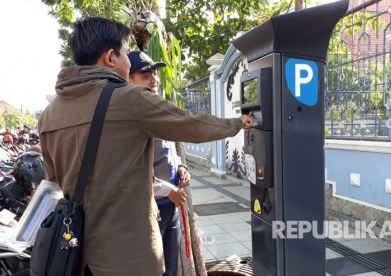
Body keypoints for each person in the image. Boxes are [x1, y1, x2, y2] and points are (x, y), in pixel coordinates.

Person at [38, 17, 253, 276]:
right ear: (110, 58)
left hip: (73, 253)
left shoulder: (49, 115)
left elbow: (53, 184)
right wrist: (237, 123)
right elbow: (190, 124)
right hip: (129, 256)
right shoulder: (129, 100)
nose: (128, 62)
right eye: (126, 54)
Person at [128, 50, 188, 276]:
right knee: (152, 269)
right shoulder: (129, 117)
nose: (154, 80)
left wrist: (180, 166)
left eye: (154, 74)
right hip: (148, 209)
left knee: (171, 267)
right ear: (129, 78)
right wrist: (167, 189)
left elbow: (169, 149)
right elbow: (130, 173)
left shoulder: (157, 108)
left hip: (170, 206)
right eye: (146, 75)